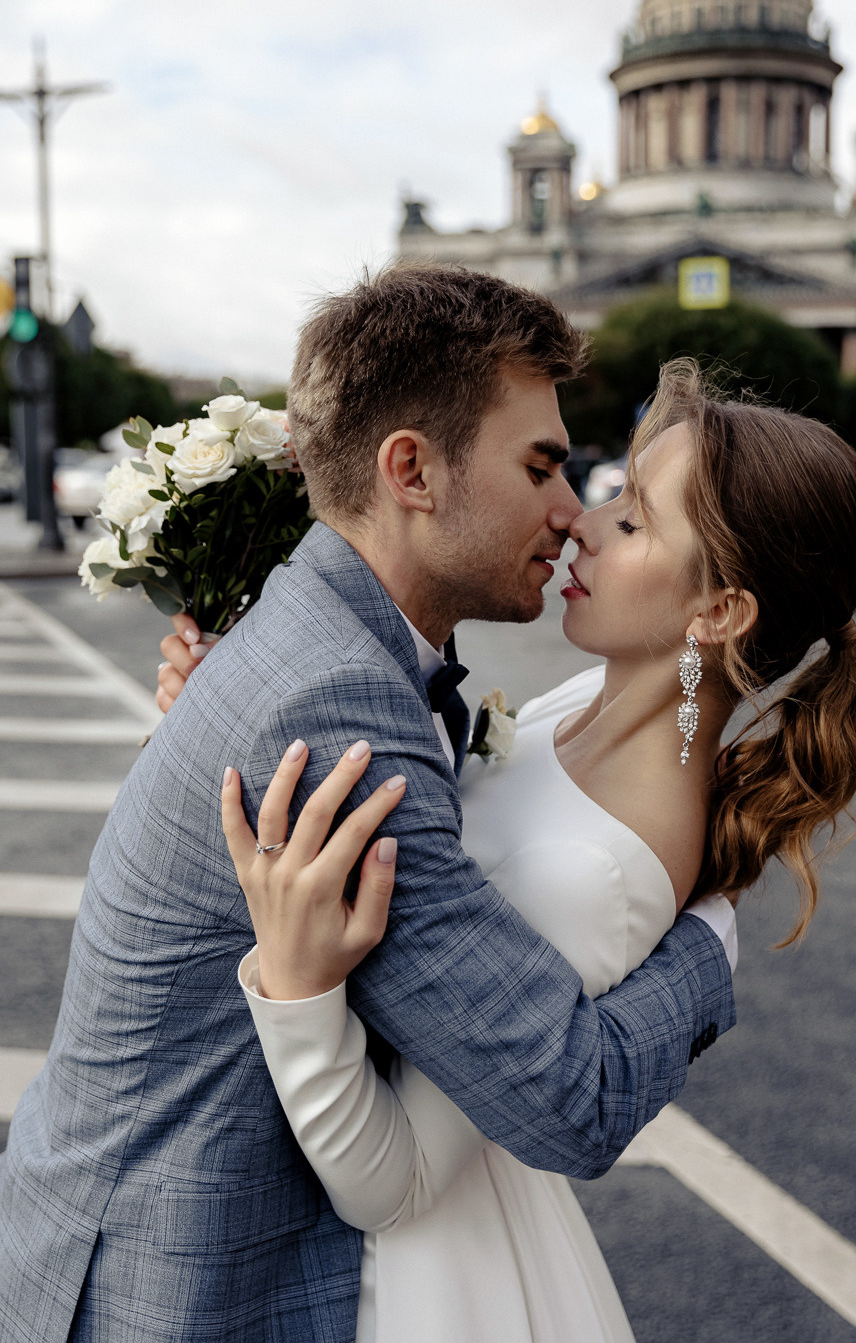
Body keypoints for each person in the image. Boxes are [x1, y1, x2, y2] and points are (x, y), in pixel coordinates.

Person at [0, 267, 737, 1343]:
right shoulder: (335, 695)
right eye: (540, 465)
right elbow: (566, 1100)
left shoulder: (323, 633)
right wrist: (708, 946)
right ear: (411, 471)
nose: (571, 510)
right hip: (168, 1281)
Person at [185, 359, 856, 1342]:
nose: (581, 526)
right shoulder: (576, 711)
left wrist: (298, 990)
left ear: (717, 612)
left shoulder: (603, 869)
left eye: (632, 519)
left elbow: (391, 1181)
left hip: (410, 1285)